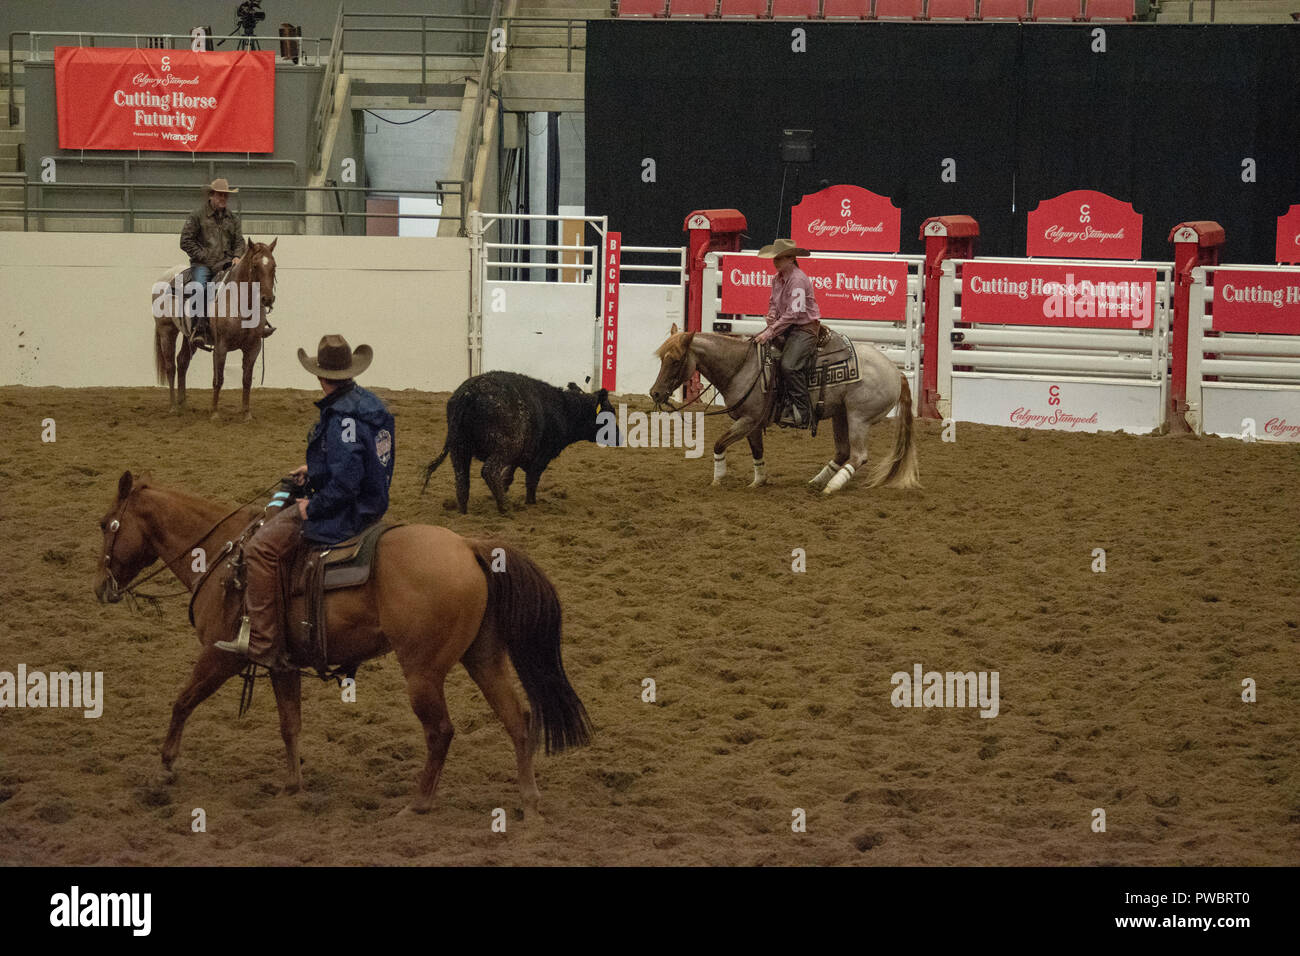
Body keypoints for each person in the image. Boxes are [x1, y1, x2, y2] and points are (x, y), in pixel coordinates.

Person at [216, 335, 396, 668]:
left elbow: (346, 483)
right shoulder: (368, 405)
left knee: (260, 548)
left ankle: (264, 643)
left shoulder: (342, 418)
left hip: (345, 514)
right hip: (371, 504)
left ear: (320, 376)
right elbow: (360, 463)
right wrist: (314, 471)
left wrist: (311, 506)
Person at [754, 238, 821, 428]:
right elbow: (774, 304)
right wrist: (772, 317)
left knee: (789, 366)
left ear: (791, 258)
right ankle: (781, 404)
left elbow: (794, 314)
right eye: (775, 258)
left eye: (780, 257)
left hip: (804, 329)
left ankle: (804, 411)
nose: (775, 261)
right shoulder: (778, 278)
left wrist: (769, 331)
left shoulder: (798, 280)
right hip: (788, 327)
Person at [179, 178, 246, 348]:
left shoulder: (233, 219)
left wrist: (238, 255)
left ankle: (253, 325)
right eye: (220, 195)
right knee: (200, 287)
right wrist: (205, 257)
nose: (223, 198)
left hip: (227, 264)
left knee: (246, 284)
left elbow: (240, 241)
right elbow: (186, 241)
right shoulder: (197, 216)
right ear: (211, 195)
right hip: (202, 264)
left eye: (226, 195)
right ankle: (198, 328)